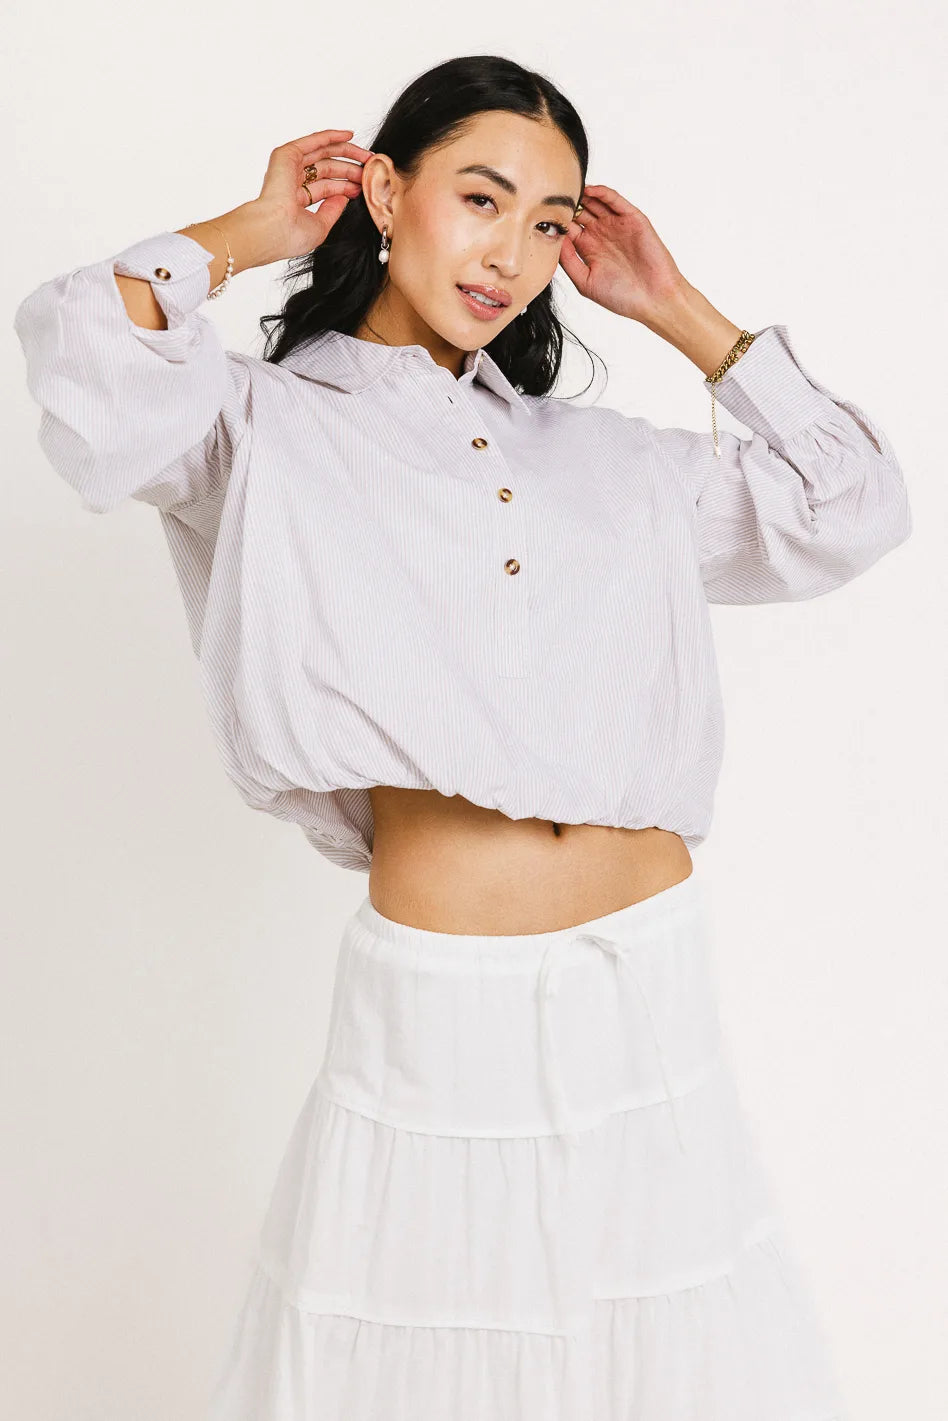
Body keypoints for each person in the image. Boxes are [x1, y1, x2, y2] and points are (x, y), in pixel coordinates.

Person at [14, 53, 910, 1421]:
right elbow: (84, 360)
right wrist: (256, 230)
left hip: (649, 985)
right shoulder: (254, 427)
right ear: (386, 191)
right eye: (481, 199)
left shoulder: (606, 462)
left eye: (547, 223)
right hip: (443, 997)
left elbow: (853, 509)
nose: (511, 255)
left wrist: (676, 308)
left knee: (663, 1369)